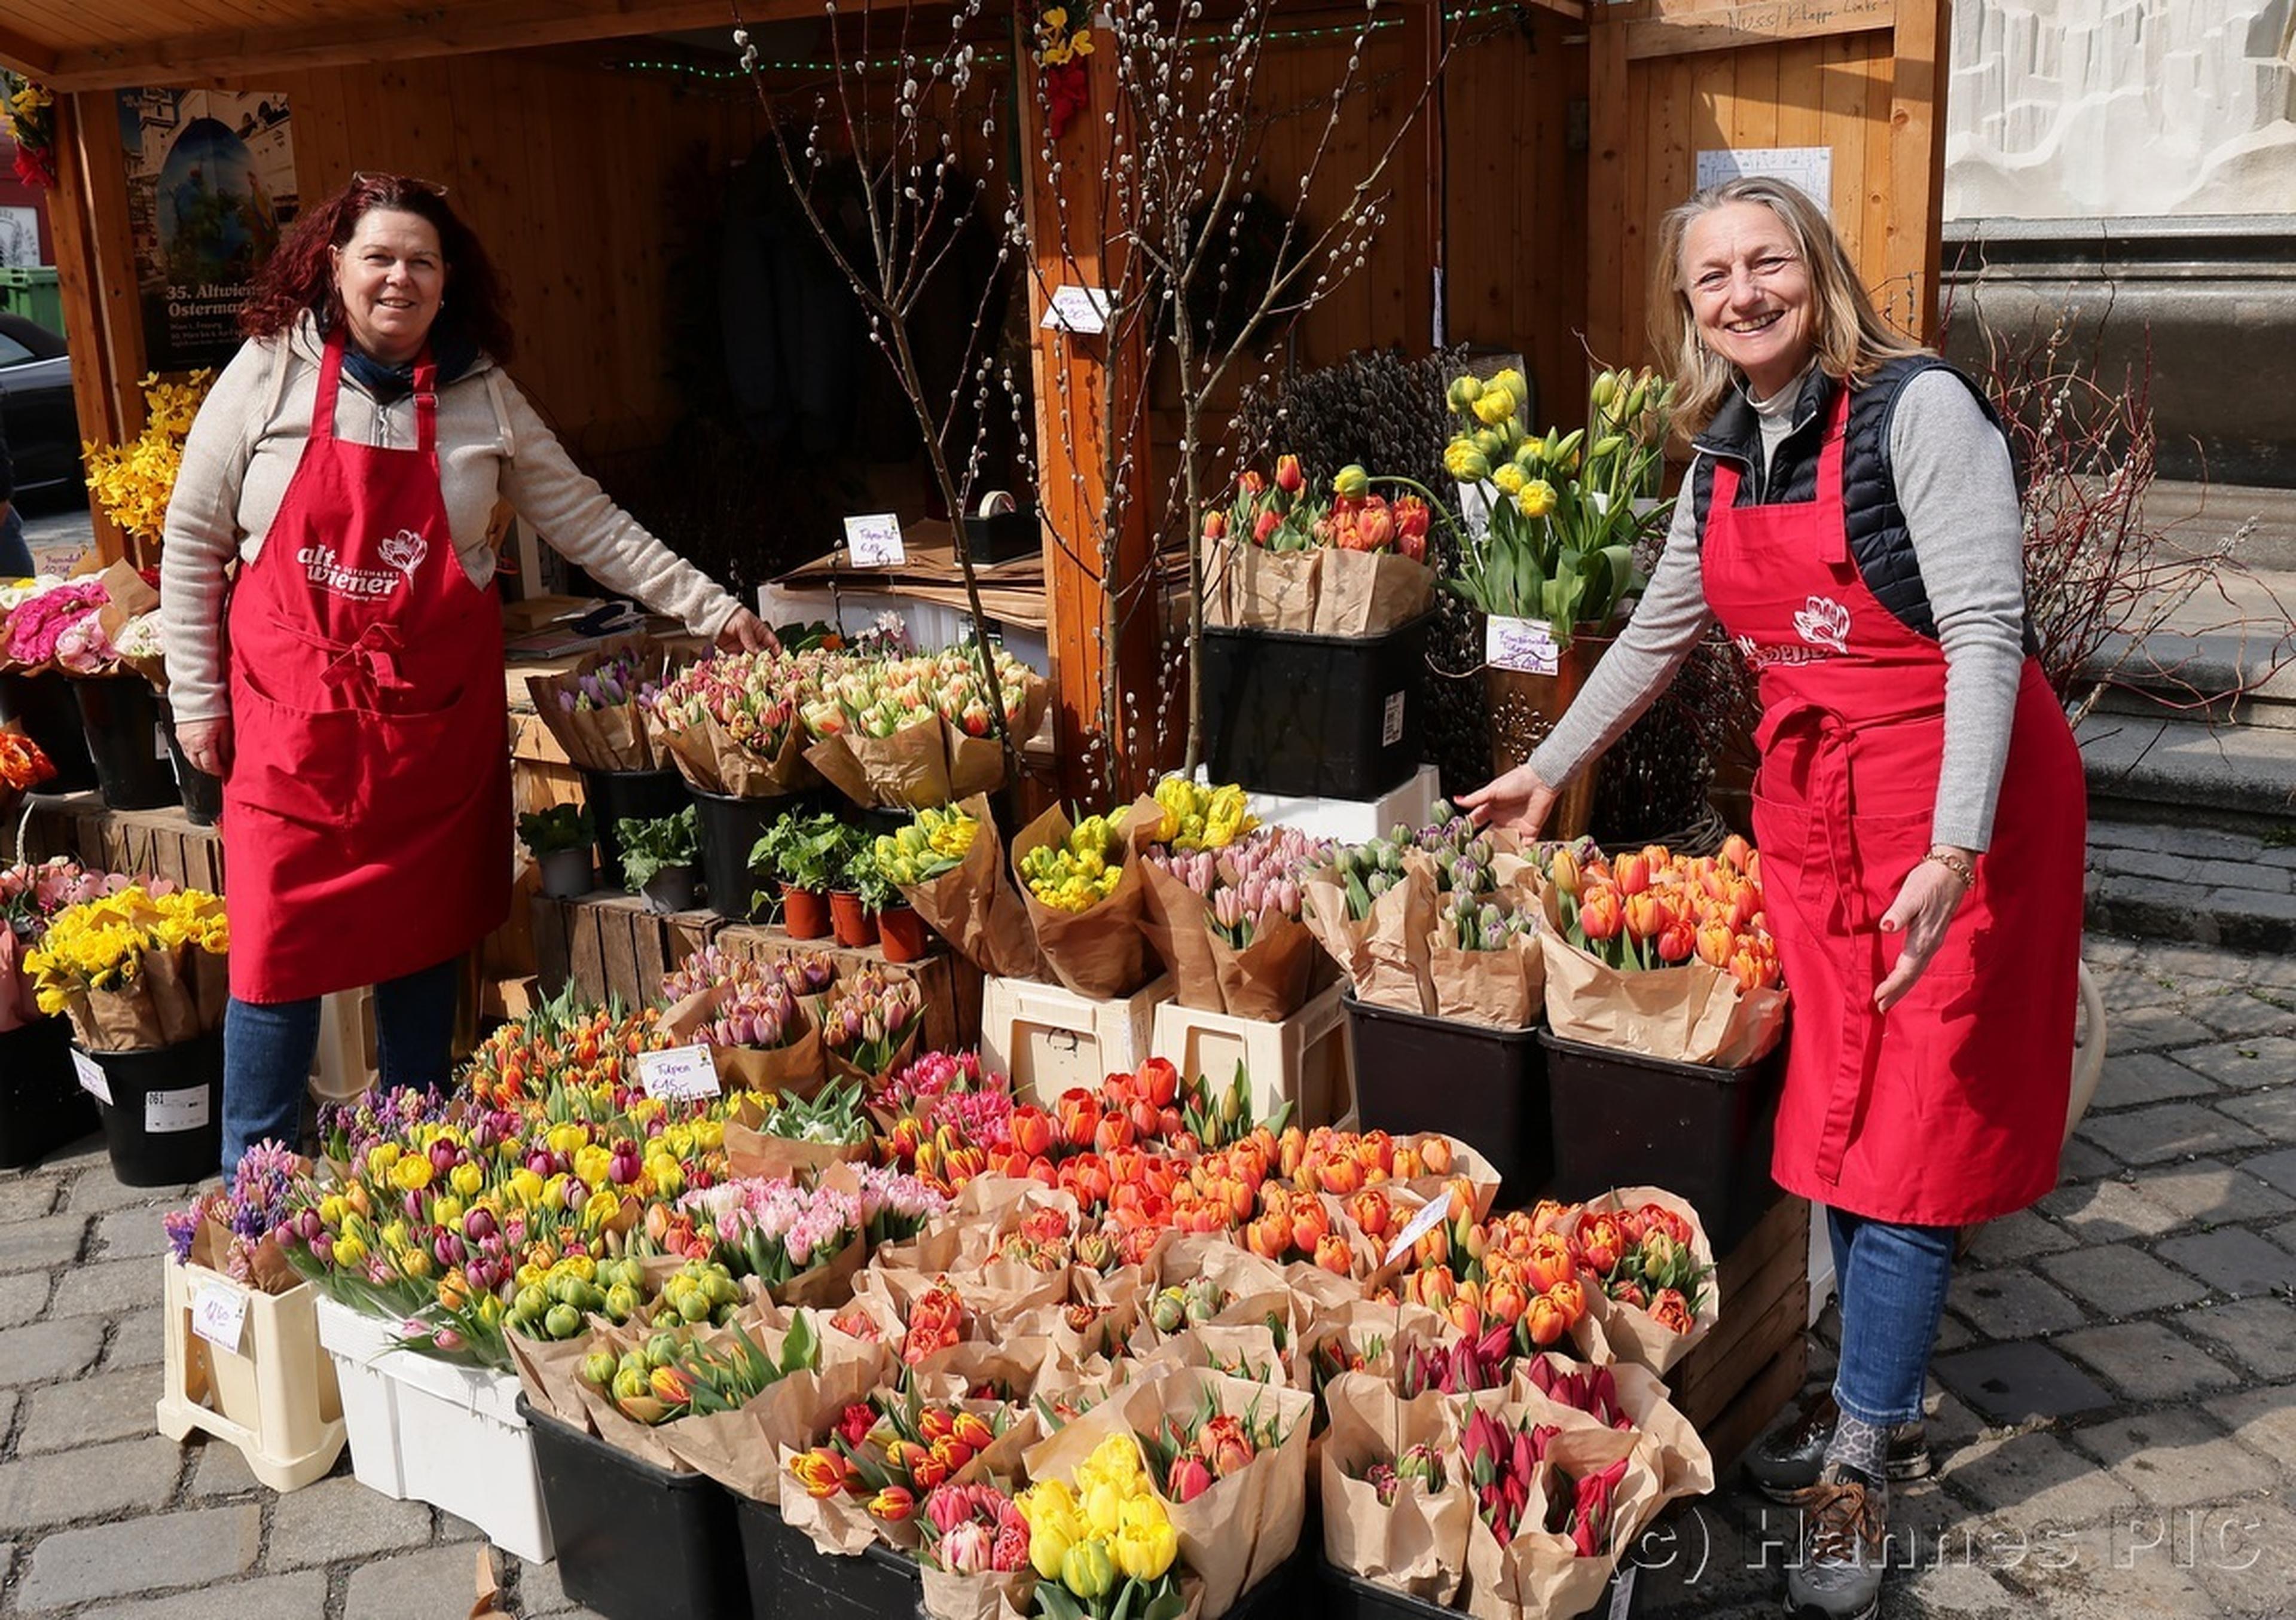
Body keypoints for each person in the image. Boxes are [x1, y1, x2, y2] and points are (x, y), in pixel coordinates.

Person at [1460, 176, 2084, 1620]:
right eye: (1713, 276)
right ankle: (1886, 1380)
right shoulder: (1724, 453)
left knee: (1915, 1122)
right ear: (1689, 307)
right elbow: (1664, 629)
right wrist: (1549, 768)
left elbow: (1989, 632)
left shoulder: (1915, 413)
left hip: (1953, 804)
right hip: (1825, 818)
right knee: (1844, 1109)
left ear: (1819, 267)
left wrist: (1958, 841)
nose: (1743, 292)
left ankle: (1862, 1447)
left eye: (1768, 262)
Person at [160, 173, 775, 1174]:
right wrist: (198, 702)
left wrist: (713, 608)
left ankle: (416, 1174)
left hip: (426, 740)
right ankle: (253, 1192)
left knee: (422, 945)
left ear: (449, 283)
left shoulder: (481, 394)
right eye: (380, 257)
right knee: (273, 961)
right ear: (333, 266)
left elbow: (588, 520)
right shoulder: (269, 371)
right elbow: (190, 540)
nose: (399, 278)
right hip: (291, 739)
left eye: (422, 262)